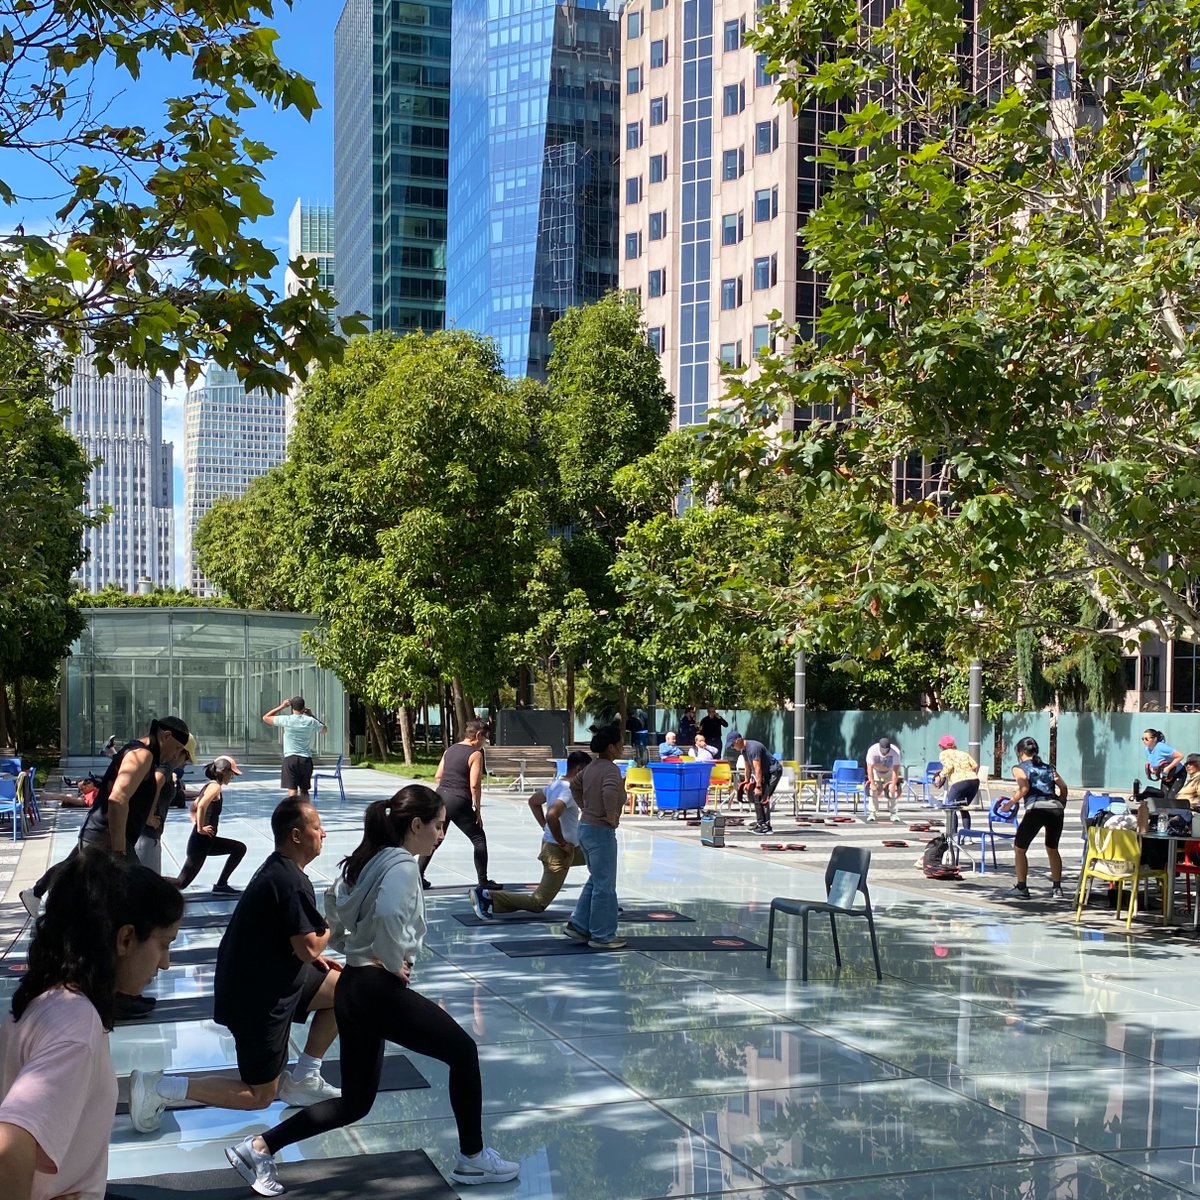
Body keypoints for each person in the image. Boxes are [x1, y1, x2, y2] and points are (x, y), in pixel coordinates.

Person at [225, 787, 519, 1194]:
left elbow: (335, 908)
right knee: (463, 1052)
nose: (440, 835)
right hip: (376, 987)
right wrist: (391, 959)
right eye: (437, 826)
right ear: (415, 825)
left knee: (355, 1103)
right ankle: (473, 1158)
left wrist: (356, 949)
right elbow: (385, 914)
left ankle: (258, 1147)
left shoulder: (368, 860)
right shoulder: (401, 866)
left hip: (353, 987)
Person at [127, 798, 342, 1135]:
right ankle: (160, 1088)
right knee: (259, 1095)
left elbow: (297, 944)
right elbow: (309, 945)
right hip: (256, 999)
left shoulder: (282, 869)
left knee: (345, 989)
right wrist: (334, 921)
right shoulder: (290, 881)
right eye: (317, 828)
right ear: (297, 836)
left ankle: (304, 1078)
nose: (324, 834)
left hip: (269, 978)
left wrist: (313, 954)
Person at [0, 850, 183, 1200]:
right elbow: (9, 1147)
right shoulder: (75, 1026)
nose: (166, 964)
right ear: (125, 939)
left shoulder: (49, 996)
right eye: (163, 945)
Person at [21, 715, 195, 928]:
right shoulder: (143, 755)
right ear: (166, 736)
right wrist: (119, 851)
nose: (176, 755)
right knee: (140, 896)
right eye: (177, 749)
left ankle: (49, 913)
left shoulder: (139, 752)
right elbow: (118, 798)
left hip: (103, 835)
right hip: (107, 839)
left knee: (86, 886)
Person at [471, 752, 590, 919]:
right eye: (588, 771)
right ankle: (487, 896)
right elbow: (552, 815)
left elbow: (533, 802)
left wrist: (545, 827)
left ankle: (603, 901)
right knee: (538, 903)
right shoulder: (569, 791)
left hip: (570, 848)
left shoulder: (555, 785)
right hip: (559, 852)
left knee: (599, 859)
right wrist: (561, 841)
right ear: (579, 769)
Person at [564, 725, 626, 950]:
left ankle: (579, 925)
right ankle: (603, 935)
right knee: (605, 885)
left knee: (597, 878)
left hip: (586, 827)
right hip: (600, 830)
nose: (622, 747)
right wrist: (610, 816)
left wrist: (585, 807)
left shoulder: (590, 768)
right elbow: (609, 792)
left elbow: (574, 785)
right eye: (620, 744)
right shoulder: (610, 770)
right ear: (610, 747)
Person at [419, 718, 499, 891]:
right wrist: (477, 809)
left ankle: (418, 875)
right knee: (478, 839)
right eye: (484, 738)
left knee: (436, 837)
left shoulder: (450, 750)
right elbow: (474, 785)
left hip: (440, 797)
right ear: (477, 735)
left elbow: (438, 776)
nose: (484, 742)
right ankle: (483, 880)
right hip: (459, 800)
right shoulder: (475, 754)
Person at [172, 757, 247, 894]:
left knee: (239, 848)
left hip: (207, 840)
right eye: (231, 774)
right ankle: (151, 886)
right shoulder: (215, 787)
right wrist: (200, 828)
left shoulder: (209, 785)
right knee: (181, 883)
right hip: (201, 842)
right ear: (223, 772)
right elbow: (201, 806)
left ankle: (221, 885)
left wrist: (196, 822)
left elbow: (194, 807)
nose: (232, 777)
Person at [1010, 736, 1069, 900]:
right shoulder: (1049, 768)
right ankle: (1057, 888)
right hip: (1055, 809)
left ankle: (1022, 887)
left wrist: (1009, 803)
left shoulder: (1019, 768)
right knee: (1052, 848)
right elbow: (1063, 787)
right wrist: (1062, 801)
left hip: (1036, 808)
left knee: (1020, 848)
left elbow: (1024, 788)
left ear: (1021, 752)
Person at [263, 697, 326, 800]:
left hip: (290, 758)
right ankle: (305, 812)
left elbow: (266, 717)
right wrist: (312, 715)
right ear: (304, 708)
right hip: (305, 759)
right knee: (304, 790)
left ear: (291, 708)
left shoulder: (287, 719)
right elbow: (324, 730)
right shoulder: (310, 721)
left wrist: (282, 706)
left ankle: (293, 812)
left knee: (292, 790)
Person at [134, 761, 185, 874]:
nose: (184, 763)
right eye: (185, 759)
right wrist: (149, 816)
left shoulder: (163, 767)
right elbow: (155, 784)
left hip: (150, 835)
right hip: (146, 835)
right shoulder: (165, 766)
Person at [729, 731, 783, 835]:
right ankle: (761, 824)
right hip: (765, 772)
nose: (732, 747)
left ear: (738, 740)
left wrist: (758, 786)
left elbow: (757, 768)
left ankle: (765, 826)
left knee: (762, 796)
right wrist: (746, 781)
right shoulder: (743, 750)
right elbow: (748, 767)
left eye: (732, 745)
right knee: (757, 796)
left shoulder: (753, 748)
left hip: (773, 772)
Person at [933, 735, 980, 831]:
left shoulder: (944, 754)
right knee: (963, 808)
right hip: (974, 781)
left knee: (951, 808)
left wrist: (940, 775)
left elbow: (949, 766)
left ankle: (953, 835)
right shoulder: (963, 753)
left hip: (959, 783)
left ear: (942, 746)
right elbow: (975, 765)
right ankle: (967, 836)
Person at [865, 736, 904, 821]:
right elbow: (869, 768)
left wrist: (893, 785)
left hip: (889, 772)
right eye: (883, 750)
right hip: (876, 771)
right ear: (880, 747)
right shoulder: (872, 750)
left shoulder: (895, 752)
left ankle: (893, 813)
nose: (885, 752)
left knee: (892, 790)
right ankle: (872, 812)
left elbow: (896, 770)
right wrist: (872, 783)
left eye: (887, 750)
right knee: (873, 790)